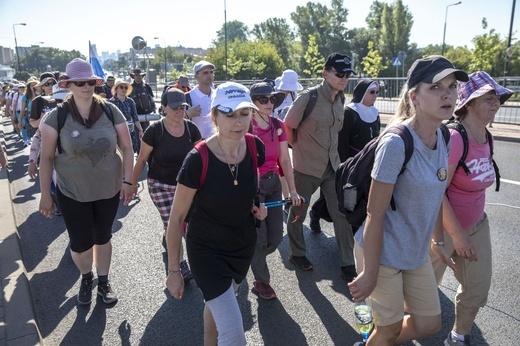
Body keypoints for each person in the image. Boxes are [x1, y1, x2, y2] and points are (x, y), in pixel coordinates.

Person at [347, 55, 469, 345]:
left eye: (452, 87)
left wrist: (438, 242)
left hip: (414, 253)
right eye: (436, 87)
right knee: (387, 330)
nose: (447, 94)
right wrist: (370, 271)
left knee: (429, 324)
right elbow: (374, 214)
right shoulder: (396, 143)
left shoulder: (444, 136)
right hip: (382, 251)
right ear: (414, 96)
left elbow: (437, 195)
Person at [165, 82, 266, 345]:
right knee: (234, 335)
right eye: (229, 114)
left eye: (244, 113)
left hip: (241, 248)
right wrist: (174, 270)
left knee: (217, 309)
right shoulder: (197, 159)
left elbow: (247, 192)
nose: (238, 121)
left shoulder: (255, 147)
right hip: (207, 252)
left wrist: (257, 208)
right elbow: (176, 219)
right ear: (214, 116)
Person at [38, 58, 134, 305]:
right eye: (80, 82)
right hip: (72, 191)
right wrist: (45, 195)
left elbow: (127, 146)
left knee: (103, 237)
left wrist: (128, 181)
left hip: (108, 189)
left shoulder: (111, 111)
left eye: (90, 81)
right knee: (80, 244)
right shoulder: (56, 118)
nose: (86, 86)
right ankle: (86, 276)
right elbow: (46, 158)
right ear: (68, 85)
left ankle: (103, 282)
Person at [431, 71, 513, 346]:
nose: (496, 103)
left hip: (477, 224)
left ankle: (458, 337)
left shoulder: (487, 137)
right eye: (489, 98)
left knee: (477, 288)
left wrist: (468, 233)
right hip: (441, 229)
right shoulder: (455, 139)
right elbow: (436, 192)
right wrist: (457, 236)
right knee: (422, 289)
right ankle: (394, 330)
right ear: (469, 103)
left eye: (497, 98)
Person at [283, 53, 357, 282]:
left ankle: (348, 262)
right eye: (339, 74)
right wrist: (298, 149)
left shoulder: (341, 99)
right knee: (298, 212)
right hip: (307, 166)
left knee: (342, 213)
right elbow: (287, 125)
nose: (344, 78)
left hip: (332, 167)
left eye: (347, 74)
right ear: (325, 73)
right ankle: (297, 253)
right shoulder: (309, 98)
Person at [131, 88, 202, 281]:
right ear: (163, 108)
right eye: (174, 108)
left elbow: (203, 158)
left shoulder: (191, 129)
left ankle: (168, 238)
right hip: (160, 184)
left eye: (182, 107)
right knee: (174, 223)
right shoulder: (155, 130)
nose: (179, 112)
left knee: (185, 223)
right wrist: (130, 183)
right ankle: (179, 265)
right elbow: (142, 160)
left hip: (186, 186)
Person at [249, 82, 302, 300]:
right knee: (260, 240)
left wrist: (293, 191)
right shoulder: (245, 126)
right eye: (263, 99)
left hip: (272, 184)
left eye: (272, 99)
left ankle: (252, 255)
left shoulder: (278, 125)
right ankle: (262, 281)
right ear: (252, 102)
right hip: (253, 185)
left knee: (276, 239)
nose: (269, 103)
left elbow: (284, 160)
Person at [309, 79, 381, 233]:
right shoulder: (349, 112)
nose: (375, 95)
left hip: (368, 162)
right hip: (350, 162)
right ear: (362, 93)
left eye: (377, 92)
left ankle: (356, 231)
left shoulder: (375, 112)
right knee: (338, 197)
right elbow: (341, 142)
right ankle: (315, 211)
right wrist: (344, 166)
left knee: (361, 198)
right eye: (372, 92)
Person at [109, 79, 144, 154]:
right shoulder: (110, 103)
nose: (124, 89)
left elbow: (135, 117)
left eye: (126, 88)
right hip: (115, 132)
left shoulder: (130, 101)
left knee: (129, 153)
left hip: (130, 132)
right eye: (121, 87)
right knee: (117, 154)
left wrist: (140, 130)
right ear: (116, 89)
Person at [185, 60, 216, 139]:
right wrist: (187, 114)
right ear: (196, 76)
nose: (209, 75)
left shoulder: (218, 95)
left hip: (217, 142)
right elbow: (173, 121)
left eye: (211, 72)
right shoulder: (188, 97)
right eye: (205, 73)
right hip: (197, 143)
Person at [18, 78, 40, 146]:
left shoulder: (41, 94)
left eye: (35, 85)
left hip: (41, 116)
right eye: (31, 85)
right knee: (35, 137)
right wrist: (20, 121)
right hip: (31, 117)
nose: (33, 87)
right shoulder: (26, 97)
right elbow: (22, 110)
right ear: (28, 87)